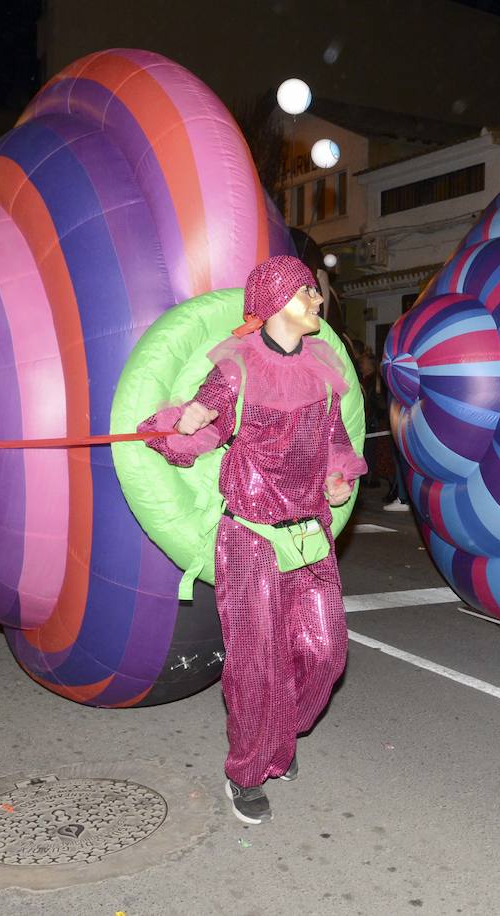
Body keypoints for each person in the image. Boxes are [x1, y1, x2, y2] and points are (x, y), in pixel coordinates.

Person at [137, 255, 366, 825]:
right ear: (277, 303)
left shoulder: (322, 365)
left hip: (308, 534)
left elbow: (335, 438)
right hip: (250, 538)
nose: (318, 302)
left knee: (325, 653)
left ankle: (278, 739)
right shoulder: (235, 369)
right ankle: (247, 769)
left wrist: (338, 477)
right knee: (253, 662)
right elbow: (207, 427)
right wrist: (184, 424)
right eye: (308, 293)